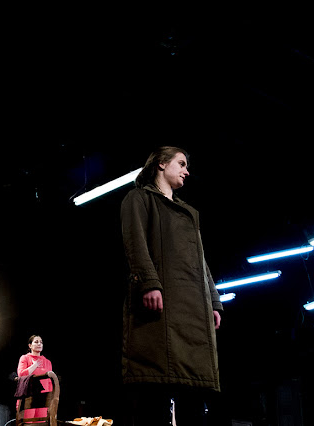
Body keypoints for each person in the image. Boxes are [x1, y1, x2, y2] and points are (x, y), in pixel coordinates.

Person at [120, 146, 223, 426]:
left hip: (192, 311)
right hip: (163, 305)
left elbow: (201, 261)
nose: (187, 171)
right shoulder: (138, 198)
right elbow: (135, 242)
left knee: (193, 393)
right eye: (181, 164)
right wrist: (149, 283)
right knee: (156, 390)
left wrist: (213, 301)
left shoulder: (189, 212)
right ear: (162, 164)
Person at [16, 335, 54, 420]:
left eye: (41, 342)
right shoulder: (25, 358)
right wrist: (34, 365)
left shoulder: (47, 362)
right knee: (28, 422)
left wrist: (50, 400)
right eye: (36, 342)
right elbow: (21, 375)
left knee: (42, 422)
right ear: (30, 345)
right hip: (29, 398)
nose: (39, 344)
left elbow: (50, 383)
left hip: (44, 398)